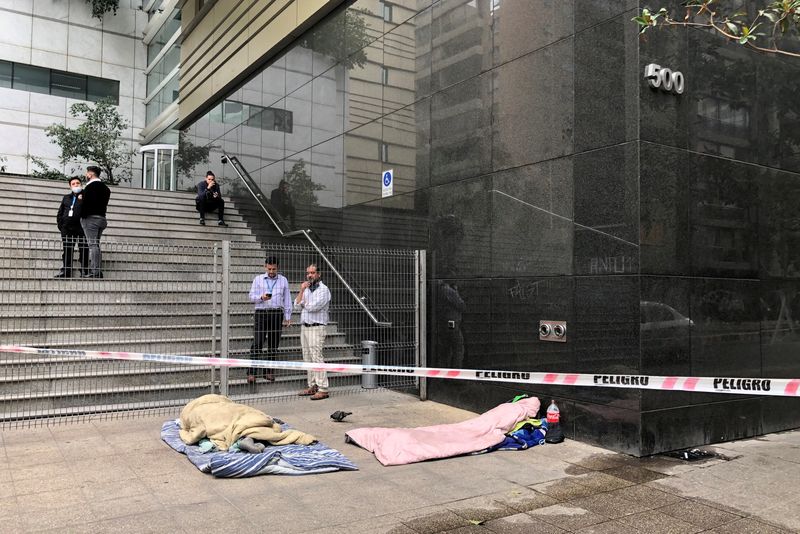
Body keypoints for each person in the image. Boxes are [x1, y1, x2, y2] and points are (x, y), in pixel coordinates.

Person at [247, 256, 292, 384]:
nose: (271, 271)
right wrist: (261, 297)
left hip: (276, 313)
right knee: (258, 342)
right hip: (261, 312)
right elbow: (251, 297)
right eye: (269, 268)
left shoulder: (283, 280)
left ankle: (269, 371)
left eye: (274, 269)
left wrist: (288, 316)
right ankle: (252, 372)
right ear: (265, 267)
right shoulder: (258, 279)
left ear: (278, 267)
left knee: (273, 343)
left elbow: (287, 299)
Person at [295, 263, 331, 400]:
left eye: (312, 273)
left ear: (318, 274)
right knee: (307, 357)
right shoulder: (306, 289)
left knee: (316, 356)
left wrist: (303, 304)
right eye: (308, 273)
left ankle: (323, 388)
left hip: (317, 327)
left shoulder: (324, 290)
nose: (309, 275)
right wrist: (302, 291)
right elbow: (297, 305)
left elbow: (313, 307)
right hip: (305, 327)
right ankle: (312, 385)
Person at [80, 165, 111, 279]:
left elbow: (87, 204)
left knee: (93, 245)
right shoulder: (106, 188)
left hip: (91, 219)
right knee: (96, 245)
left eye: (87, 173)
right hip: (101, 218)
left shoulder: (90, 187)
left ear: (90, 174)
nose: (86, 175)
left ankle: (95, 271)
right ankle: (97, 270)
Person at [54, 176, 89, 278]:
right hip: (67, 227)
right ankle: (66, 270)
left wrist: (83, 199)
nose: (75, 185)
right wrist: (61, 225)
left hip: (81, 226)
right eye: (73, 184)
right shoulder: (66, 198)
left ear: (81, 184)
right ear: (70, 186)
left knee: (84, 248)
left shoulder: (85, 195)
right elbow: (60, 212)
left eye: (77, 183)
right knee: (67, 249)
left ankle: (84, 270)